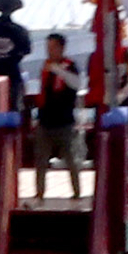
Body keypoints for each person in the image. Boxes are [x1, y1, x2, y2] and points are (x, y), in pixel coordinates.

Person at [35, 34, 82, 176]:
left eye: (53, 47)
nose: (50, 51)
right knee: (41, 159)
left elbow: (77, 83)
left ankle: (77, 193)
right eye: (48, 47)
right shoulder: (46, 67)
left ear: (62, 48)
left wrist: (58, 70)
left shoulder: (70, 66)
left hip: (64, 120)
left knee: (70, 158)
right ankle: (39, 193)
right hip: (45, 119)